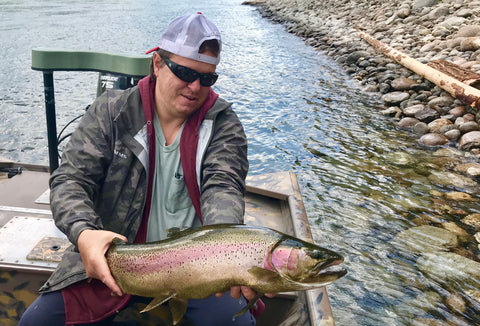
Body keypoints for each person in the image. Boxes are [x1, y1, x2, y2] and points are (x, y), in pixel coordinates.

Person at [19, 13, 269, 326]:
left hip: (197, 269)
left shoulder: (224, 126)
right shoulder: (111, 111)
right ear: (158, 64)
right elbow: (71, 181)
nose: (195, 86)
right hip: (113, 261)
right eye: (184, 72)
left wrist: (231, 253)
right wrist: (85, 234)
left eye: (207, 78)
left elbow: (223, 187)